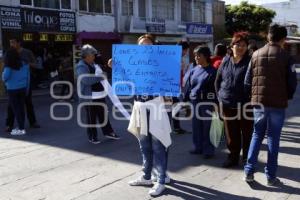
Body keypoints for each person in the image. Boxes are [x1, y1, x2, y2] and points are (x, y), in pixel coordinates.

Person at [244, 24, 297, 186]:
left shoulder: (255, 54)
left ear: (268, 37)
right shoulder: (287, 56)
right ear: (283, 39)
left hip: (258, 104)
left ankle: (249, 172)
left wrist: (254, 97)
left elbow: (247, 81)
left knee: (257, 135)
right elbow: (292, 82)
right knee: (274, 138)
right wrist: (286, 96)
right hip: (277, 105)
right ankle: (271, 176)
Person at [128, 34, 171, 196]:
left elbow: (169, 85)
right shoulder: (133, 64)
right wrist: (116, 68)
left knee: (158, 145)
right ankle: (147, 175)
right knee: (144, 143)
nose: (145, 48)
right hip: (139, 106)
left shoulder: (162, 64)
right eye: (141, 46)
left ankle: (161, 179)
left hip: (156, 105)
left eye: (148, 45)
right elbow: (125, 83)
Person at [215, 32, 253, 168]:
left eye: (244, 45)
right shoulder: (225, 61)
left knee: (247, 133)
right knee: (231, 134)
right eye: (238, 45)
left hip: (245, 105)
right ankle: (233, 157)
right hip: (227, 104)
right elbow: (218, 80)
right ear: (232, 46)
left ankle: (248, 158)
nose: (241, 47)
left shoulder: (250, 62)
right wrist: (219, 98)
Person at [76, 44, 119, 144]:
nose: (94, 56)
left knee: (103, 115)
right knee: (91, 118)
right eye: (92, 55)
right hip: (89, 97)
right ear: (87, 56)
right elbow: (86, 80)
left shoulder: (94, 64)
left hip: (100, 95)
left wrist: (106, 71)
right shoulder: (81, 66)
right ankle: (92, 136)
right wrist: (101, 77)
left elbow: (104, 72)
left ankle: (109, 132)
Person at [183, 45, 217, 158]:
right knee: (196, 126)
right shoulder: (194, 70)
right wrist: (185, 100)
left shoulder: (213, 71)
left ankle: (208, 150)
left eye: (199, 55)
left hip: (207, 102)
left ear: (206, 56)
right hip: (194, 101)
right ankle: (198, 147)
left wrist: (216, 105)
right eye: (195, 55)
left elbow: (217, 89)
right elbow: (189, 86)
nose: (196, 57)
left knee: (207, 127)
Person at [5, 38, 40, 132]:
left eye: (13, 42)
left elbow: (36, 65)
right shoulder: (9, 53)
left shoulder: (27, 52)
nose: (12, 44)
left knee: (28, 102)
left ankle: (32, 122)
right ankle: (9, 124)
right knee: (11, 105)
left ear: (19, 43)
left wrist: (27, 64)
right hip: (13, 84)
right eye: (10, 42)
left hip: (26, 82)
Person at [2, 48, 30, 135]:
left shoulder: (9, 66)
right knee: (21, 108)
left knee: (16, 109)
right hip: (23, 88)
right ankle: (21, 126)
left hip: (12, 89)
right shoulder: (24, 64)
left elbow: (5, 77)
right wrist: (27, 88)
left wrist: (3, 75)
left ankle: (21, 129)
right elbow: (28, 77)